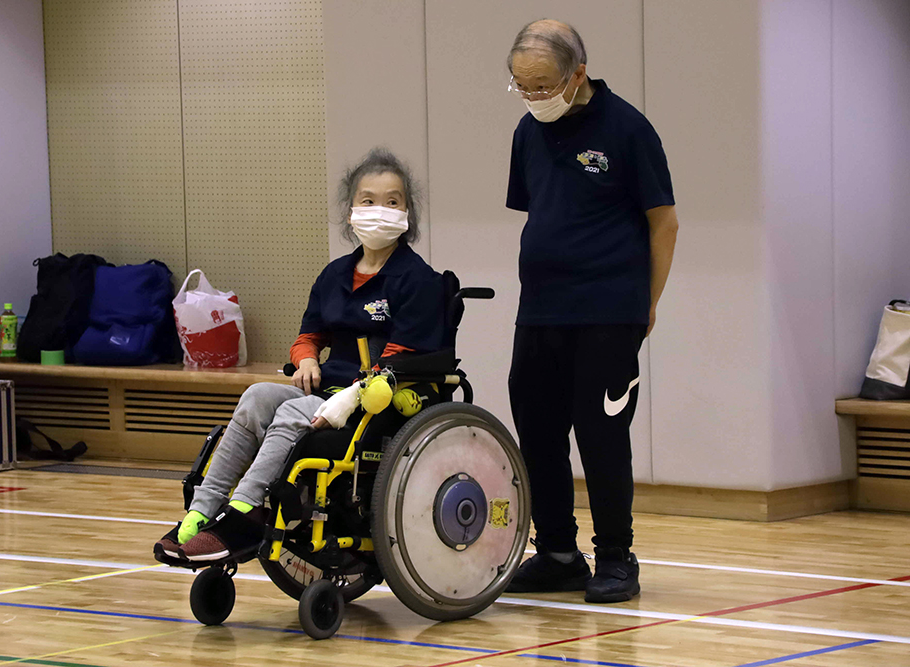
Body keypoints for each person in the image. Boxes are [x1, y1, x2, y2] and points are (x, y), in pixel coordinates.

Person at [154, 148, 444, 564]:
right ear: (350, 211)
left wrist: (350, 397)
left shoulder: (418, 280)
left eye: (392, 202)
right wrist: (307, 358)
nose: (379, 210)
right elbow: (308, 334)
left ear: (407, 214)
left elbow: (403, 355)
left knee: (295, 414)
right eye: (368, 200)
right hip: (327, 390)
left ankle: (246, 513)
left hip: (378, 400)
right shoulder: (335, 275)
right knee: (256, 397)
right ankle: (202, 512)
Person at [503, 19, 678, 602]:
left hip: (608, 309)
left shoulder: (628, 128)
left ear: (577, 73)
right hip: (541, 312)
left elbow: (664, 222)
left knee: (601, 434)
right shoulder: (528, 132)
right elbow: (542, 214)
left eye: (542, 85)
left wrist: (645, 304)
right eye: (521, 87)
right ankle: (556, 551)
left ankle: (616, 558)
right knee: (537, 430)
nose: (533, 98)